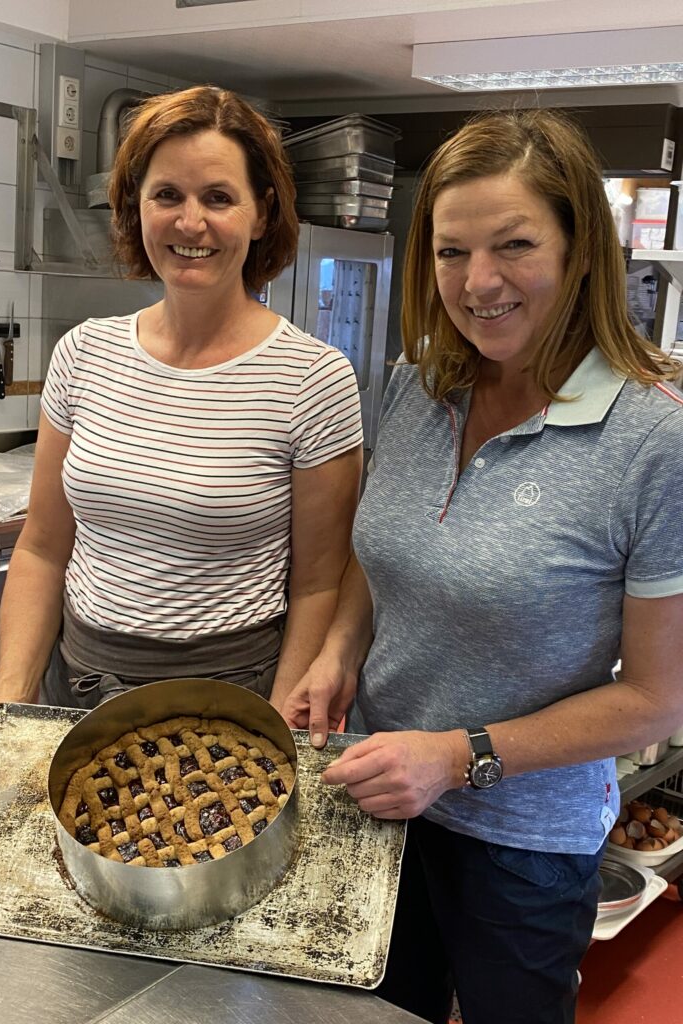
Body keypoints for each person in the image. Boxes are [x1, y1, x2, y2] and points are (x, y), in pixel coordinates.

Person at [279, 108, 683, 1024]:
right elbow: (377, 561)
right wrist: (338, 654)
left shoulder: (654, 440)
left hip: (525, 846)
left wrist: (456, 759)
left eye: (513, 245)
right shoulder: (417, 386)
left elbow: (660, 698)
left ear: (583, 249)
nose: (479, 282)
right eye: (452, 252)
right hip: (378, 801)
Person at [0, 85, 362, 759]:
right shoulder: (84, 353)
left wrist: (276, 732)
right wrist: (10, 697)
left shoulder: (311, 379)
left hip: (233, 699)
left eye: (218, 197)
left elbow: (319, 582)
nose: (190, 222)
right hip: (79, 689)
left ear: (262, 213)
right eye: (167, 195)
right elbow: (42, 548)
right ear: (135, 206)